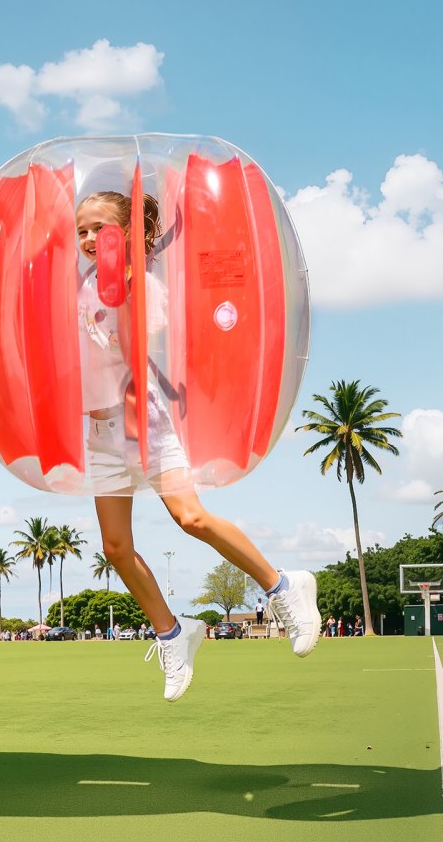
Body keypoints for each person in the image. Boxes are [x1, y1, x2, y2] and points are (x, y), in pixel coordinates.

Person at [75, 188, 321, 702]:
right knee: (116, 548)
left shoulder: (145, 285)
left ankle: (283, 586)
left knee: (190, 518)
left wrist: (118, 285)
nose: (90, 239)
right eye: (82, 231)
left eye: (100, 228)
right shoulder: (82, 288)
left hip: (143, 421)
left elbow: (136, 345)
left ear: (132, 234)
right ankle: (173, 632)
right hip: (100, 434)